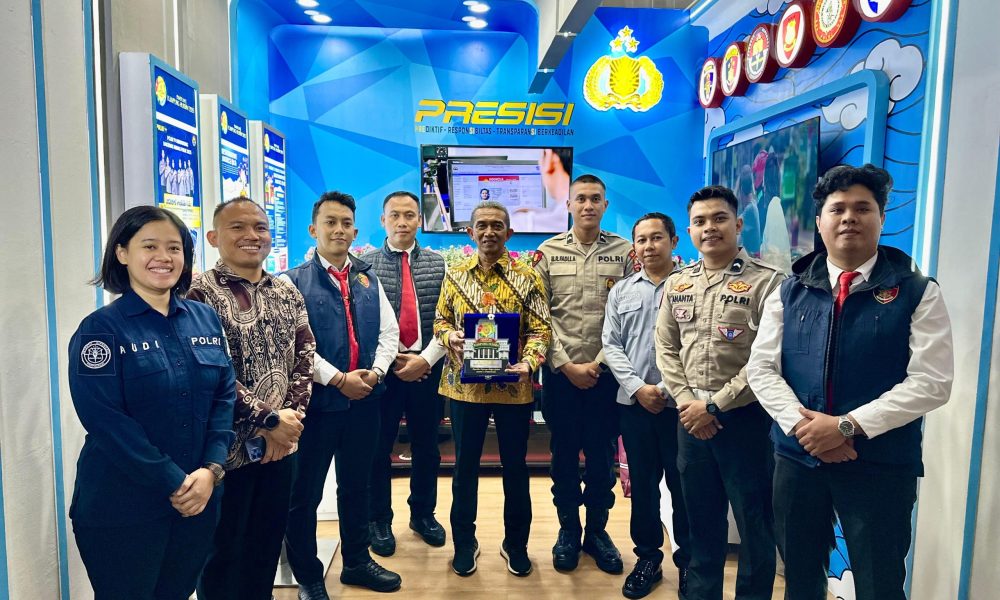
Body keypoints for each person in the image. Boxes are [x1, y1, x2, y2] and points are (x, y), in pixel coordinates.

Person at [747, 164, 954, 600]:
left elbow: (932, 381)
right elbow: (761, 369)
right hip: (798, 460)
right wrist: (807, 430)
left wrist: (845, 426)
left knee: (880, 584)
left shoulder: (917, 290)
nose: (849, 218)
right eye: (837, 209)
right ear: (820, 221)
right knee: (800, 580)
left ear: (881, 218)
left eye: (863, 208)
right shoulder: (789, 291)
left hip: (879, 464)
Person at [68, 206, 235, 599]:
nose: (164, 257)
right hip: (123, 508)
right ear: (122, 253)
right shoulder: (100, 330)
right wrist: (174, 481)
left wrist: (211, 470)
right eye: (150, 246)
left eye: (174, 248)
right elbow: (106, 421)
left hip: (198, 501)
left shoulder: (205, 319)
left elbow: (224, 397)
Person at [655, 185, 783, 600]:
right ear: (690, 230)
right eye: (700, 221)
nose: (709, 227)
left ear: (738, 224)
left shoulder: (769, 283)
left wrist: (714, 405)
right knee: (699, 522)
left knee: (754, 522)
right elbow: (665, 347)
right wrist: (690, 404)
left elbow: (767, 359)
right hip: (689, 420)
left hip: (745, 419)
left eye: (719, 218)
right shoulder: (678, 283)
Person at [189, 198, 315, 600]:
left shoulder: (286, 289)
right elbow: (216, 372)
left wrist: (289, 423)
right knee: (223, 553)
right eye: (238, 227)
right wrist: (270, 421)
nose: (251, 235)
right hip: (225, 454)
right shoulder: (198, 295)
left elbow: (305, 353)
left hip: (280, 450)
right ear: (213, 237)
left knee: (265, 545)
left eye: (260, 227)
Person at [282, 191, 401, 599]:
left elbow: (389, 332)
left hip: (365, 401)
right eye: (330, 222)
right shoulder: (291, 282)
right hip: (316, 407)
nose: (339, 230)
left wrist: (377, 372)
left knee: (357, 486)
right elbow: (295, 345)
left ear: (355, 230)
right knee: (305, 494)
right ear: (313, 229)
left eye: (346, 223)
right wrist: (337, 379)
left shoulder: (368, 278)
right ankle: (308, 576)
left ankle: (356, 562)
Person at [434, 200, 551, 578]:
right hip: (465, 390)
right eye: (482, 225)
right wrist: (450, 336)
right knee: (464, 469)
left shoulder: (527, 276)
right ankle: (464, 545)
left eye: (497, 225)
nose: (489, 232)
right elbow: (439, 320)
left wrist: (528, 363)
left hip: (513, 389)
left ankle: (516, 545)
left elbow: (541, 330)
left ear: (509, 233)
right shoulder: (455, 274)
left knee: (516, 469)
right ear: (470, 232)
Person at [534, 173, 638, 574]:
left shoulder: (625, 252)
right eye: (581, 199)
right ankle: (568, 531)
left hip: (606, 376)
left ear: (605, 205)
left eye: (596, 199)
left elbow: (630, 315)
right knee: (562, 456)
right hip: (560, 375)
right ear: (569, 205)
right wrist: (565, 364)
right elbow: (539, 316)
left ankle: (596, 531)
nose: (588, 205)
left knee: (601, 457)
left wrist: (599, 363)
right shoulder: (548, 252)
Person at [602, 213, 691, 599]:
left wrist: (666, 390)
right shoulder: (622, 291)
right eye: (641, 240)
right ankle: (648, 558)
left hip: (681, 408)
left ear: (673, 241)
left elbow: (698, 347)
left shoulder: (691, 286)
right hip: (635, 405)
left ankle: (689, 563)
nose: (649, 246)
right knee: (643, 485)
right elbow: (611, 344)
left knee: (683, 486)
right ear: (634, 247)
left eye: (657, 238)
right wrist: (639, 388)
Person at [360, 191, 449, 555]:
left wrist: (425, 360)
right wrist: (386, 362)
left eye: (409, 215)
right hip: (381, 373)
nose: (402, 222)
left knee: (427, 447)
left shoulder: (438, 264)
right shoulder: (363, 266)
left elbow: (448, 319)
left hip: (426, 372)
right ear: (383, 220)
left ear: (419, 220)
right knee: (377, 449)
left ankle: (423, 514)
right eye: (394, 215)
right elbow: (361, 322)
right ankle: (378, 519)